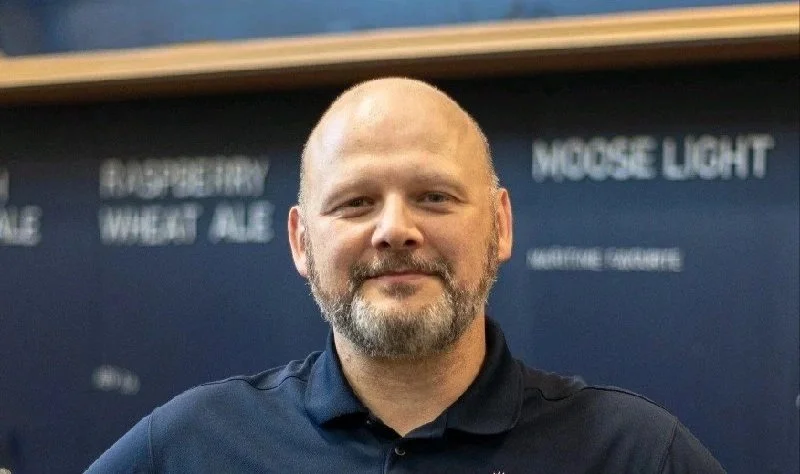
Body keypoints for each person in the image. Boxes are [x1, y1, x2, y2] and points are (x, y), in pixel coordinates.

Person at [87, 78, 725, 473]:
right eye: (356, 202)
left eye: (435, 197)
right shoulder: (190, 448)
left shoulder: (636, 455)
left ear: (500, 225)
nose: (394, 229)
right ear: (301, 241)